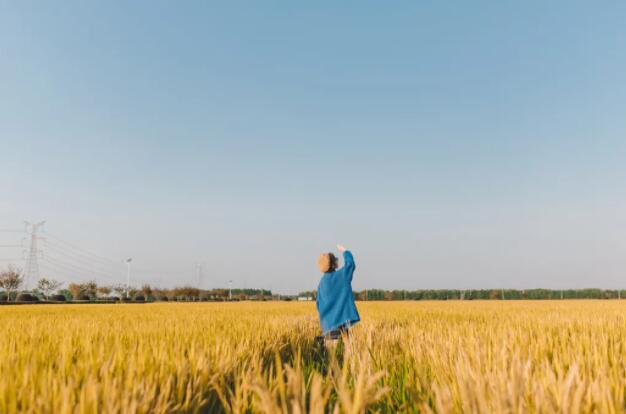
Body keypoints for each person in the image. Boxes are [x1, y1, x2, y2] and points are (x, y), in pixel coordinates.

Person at [316, 244, 360, 343]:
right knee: (346, 356)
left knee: (331, 357)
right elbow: (350, 264)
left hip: (328, 330)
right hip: (342, 329)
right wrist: (345, 251)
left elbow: (318, 305)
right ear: (332, 264)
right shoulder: (341, 276)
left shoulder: (321, 284)